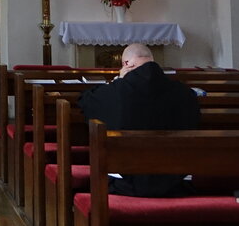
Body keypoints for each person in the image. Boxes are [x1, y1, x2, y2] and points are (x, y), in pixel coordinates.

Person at [77, 43, 200, 197]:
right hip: (176, 184)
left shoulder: (114, 92)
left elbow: (85, 102)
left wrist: (118, 81)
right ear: (152, 61)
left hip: (125, 186)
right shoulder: (185, 93)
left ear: (126, 64)